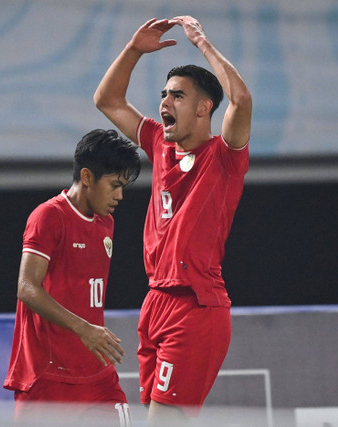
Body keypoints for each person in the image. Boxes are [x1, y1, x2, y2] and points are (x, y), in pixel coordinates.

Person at [94, 16, 252, 425]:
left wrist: (201, 44)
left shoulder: (224, 157)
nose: (164, 103)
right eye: (164, 94)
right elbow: (108, 101)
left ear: (204, 108)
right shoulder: (159, 147)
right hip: (155, 302)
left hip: (196, 306)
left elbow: (242, 101)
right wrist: (133, 50)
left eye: (177, 96)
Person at [3, 129, 141, 426]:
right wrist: (84, 329)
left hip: (98, 375)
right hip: (49, 377)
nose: (120, 195)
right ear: (88, 177)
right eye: (115, 185)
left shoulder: (106, 223)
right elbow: (27, 287)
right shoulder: (49, 216)